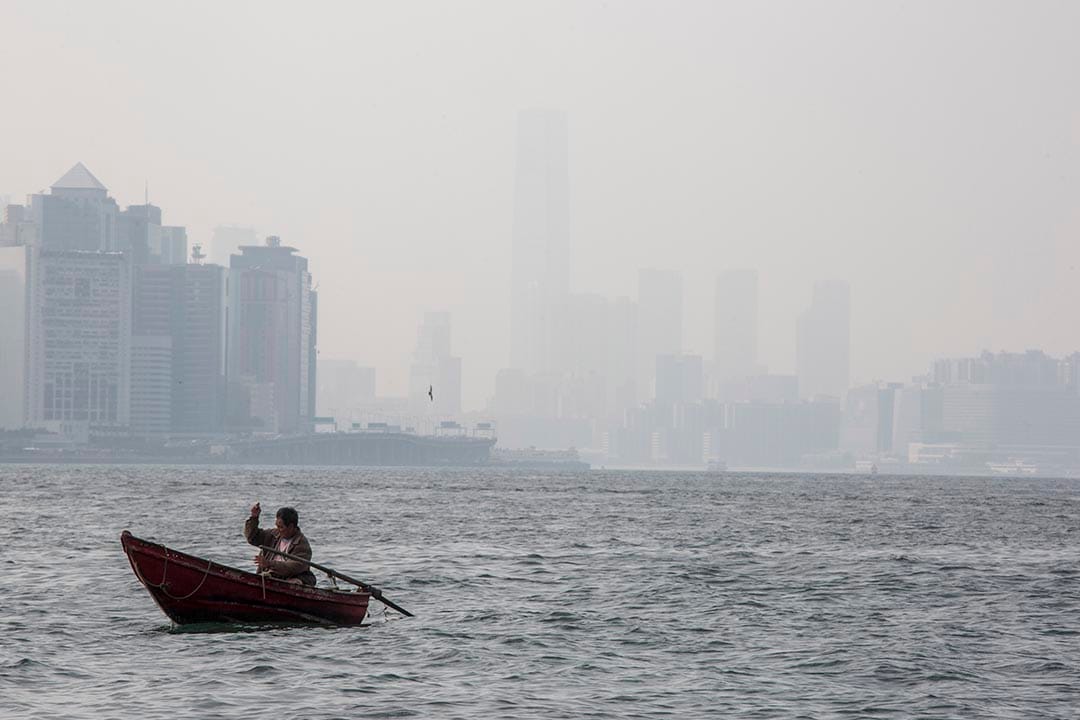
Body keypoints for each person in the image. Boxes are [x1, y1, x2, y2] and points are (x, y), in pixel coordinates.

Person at [244, 502, 317, 586]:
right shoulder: (273, 534)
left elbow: (294, 567)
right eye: (277, 526)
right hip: (268, 576)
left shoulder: (302, 544)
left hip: (288, 578)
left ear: (291, 527)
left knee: (296, 582)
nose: (278, 530)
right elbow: (252, 538)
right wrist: (254, 518)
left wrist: (269, 563)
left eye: (281, 527)